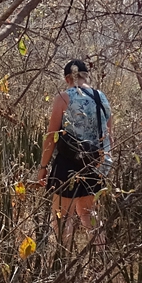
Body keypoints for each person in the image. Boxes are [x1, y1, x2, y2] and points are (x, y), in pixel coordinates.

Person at [37, 58, 111, 248]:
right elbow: (109, 135)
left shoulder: (64, 98)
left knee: (62, 217)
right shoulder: (102, 98)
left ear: (67, 78)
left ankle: (63, 264)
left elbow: (51, 137)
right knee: (88, 213)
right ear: (86, 75)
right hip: (95, 164)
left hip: (66, 165)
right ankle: (102, 258)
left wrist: (43, 168)